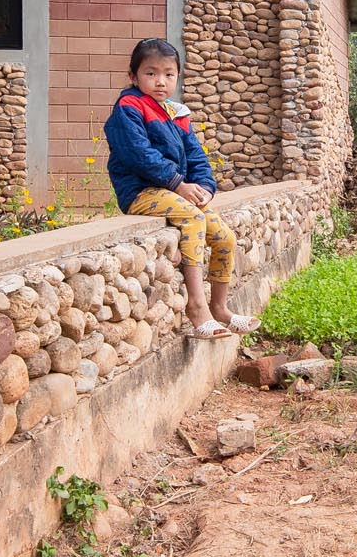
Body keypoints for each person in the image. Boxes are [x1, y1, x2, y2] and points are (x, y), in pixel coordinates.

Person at [103, 37, 260, 339]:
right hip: (141, 192)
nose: (160, 81)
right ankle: (197, 308)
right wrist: (178, 183)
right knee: (193, 218)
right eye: (150, 73)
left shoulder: (176, 113)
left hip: (176, 193)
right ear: (133, 77)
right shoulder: (128, 107)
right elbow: (138, 154)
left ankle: (220, 308)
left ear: (177, 75)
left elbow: (197, 157)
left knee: (224, 236)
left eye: (169, 74)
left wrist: (204, 188)